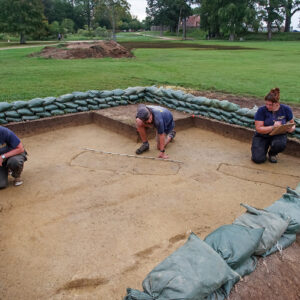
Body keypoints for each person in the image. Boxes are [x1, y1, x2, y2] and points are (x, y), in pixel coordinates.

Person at [251, 88, 296, 164]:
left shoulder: (286, 109)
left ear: (277, 103)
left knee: (280, 144)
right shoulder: (261, 110)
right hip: (263, 135)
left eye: (270, 105)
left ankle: (272, 153)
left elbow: (293, 123)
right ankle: (262, 149)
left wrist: (291, 128)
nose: (268, 106)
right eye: (266, 104)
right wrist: (272, 127)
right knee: (258, 159)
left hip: (278, 135)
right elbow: (258, 129)